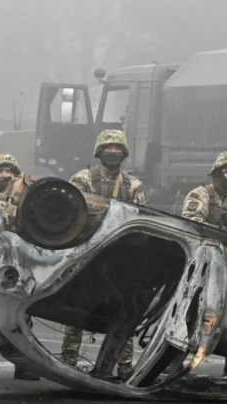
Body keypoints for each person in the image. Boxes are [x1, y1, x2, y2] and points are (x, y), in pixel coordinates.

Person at [61, 130, 144, 379]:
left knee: (124, 310)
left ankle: (124, 363)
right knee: (77, 307)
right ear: (99, 151)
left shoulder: (134, 185)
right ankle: (68, 359)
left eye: (118, 149)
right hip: (88, 252)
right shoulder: (83, 179)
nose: (113, 153)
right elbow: (72, 213)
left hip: (121, 257)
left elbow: (143, 219)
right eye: (108, 148)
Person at [181, 151, 227, 377]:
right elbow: (191, 225)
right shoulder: (199, 195)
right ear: (217, 172)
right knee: (189, 316)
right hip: (199, 268)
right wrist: (222, 236)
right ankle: (174, 362)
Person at [0, 153, 40, 381]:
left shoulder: (26, 197)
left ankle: (24, 365)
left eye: (8, 171)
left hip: (18, 263)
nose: (4, 175)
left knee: (22, 315)